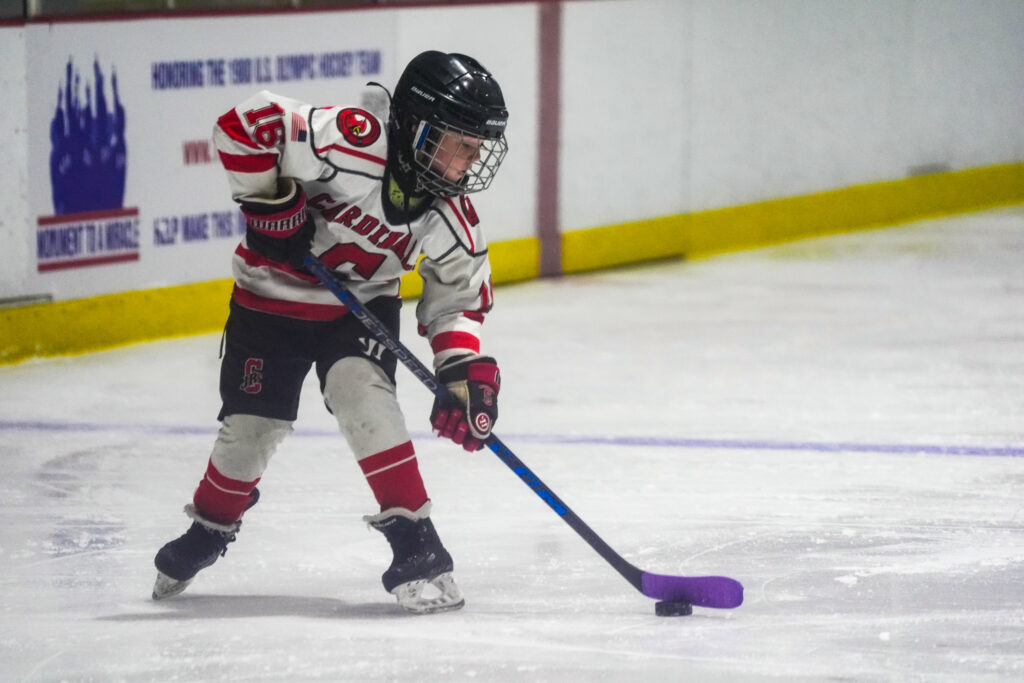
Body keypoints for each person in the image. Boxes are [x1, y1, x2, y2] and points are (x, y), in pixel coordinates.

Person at [151, 51, 508, 614]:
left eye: (477, 148)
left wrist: (462, 371)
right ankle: (211, 526)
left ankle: (417, 541)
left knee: (363, 395)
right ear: (418, 128)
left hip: (357, 312)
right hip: (269, 301)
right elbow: (246, 125)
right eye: (462, 143)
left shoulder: (449, 216)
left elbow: (458, 299)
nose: (471, 162)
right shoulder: (349, 141)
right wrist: (269, 203)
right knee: (251, 430)